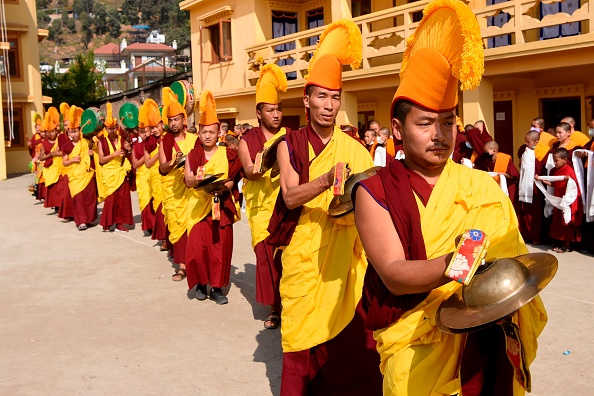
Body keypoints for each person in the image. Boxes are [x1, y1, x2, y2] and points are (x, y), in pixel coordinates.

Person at [352, 1, 546, 394]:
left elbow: (513, 264)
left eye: (447, 122)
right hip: (416, 346)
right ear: (397, 128)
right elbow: (393, 273)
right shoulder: (375, 190)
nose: (440, 134)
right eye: (425, 123)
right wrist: (456, 263)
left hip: (485, 341)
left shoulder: (482, 187)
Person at [267, 19, 382, 395]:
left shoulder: (355, 148)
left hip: (345, 254)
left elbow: (373, 197)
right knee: (301, 334)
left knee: (347, 334)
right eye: (321, 97)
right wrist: (324, 181)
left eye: (335, 97)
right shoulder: (289, 143)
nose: (329, 105)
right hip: (303, 255)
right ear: (306, 99)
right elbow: (289, 196)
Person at [238, 64, 289, 329]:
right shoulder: (248, 139)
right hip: (260, 210)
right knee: (267, 260)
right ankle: (273, 308)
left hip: (286, 205)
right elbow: (249, 170)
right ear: (259, 113)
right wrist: (267, 162)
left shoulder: (289, 136)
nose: (277, 114)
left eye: (278, 109)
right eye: (271, 110)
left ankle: (290, 304)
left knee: (288, 259)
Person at [184, 90, 242, 304]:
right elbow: (188, 179)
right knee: (197, 250)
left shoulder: (228, 154)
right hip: (199, 206)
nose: (208, 136)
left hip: (221, 205)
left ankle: (217, 288)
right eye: (204, 132)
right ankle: (200, 283)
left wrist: (222, 186)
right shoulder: (193, 155)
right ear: (198, 133)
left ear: (219, 133)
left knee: (219, 250)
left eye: (212, 132)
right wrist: (202, 182)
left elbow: (233, 179)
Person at [158, 87, 198, 281]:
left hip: (192, 189)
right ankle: (182, 266)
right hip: (174, 190)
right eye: (170, 120)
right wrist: (174, 162)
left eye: (176, 119)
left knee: (194, 226)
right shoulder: (164, 141)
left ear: (184, 120)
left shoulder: (194, 139)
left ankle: (194, 263)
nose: (173, 124)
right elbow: (163, 167)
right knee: (179, 227)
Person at [536, 148, 582, 252]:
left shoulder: (568, 170)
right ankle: (561, 243)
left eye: (556, 160)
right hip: (559, 199)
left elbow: (572, 186)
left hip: (568, 200)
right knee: (558, 222)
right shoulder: (555, 170)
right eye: (553, 160)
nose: (554, 163)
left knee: (567, 223)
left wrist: (567, 180)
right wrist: (541, 180)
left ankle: (567, 245)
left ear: (565, 160)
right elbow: (555, 184)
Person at [98, 102, 134, 232]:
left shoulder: (122, 137)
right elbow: (101, 160)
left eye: (114, 128)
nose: (112, 130)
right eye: (109, 128)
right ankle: (107, 224)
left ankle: (120, 223)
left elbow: (128, 153)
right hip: (109, 173)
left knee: (123, 198)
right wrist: (114, 154)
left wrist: (129, 149)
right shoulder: (102, 141)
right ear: (106, 129)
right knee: (111, 198)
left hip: (121, 171)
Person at [61, 105, 98, 231]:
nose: (74, 134)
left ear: (80, 130)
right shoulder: (66, 146)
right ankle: (81, 221)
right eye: (71, 132)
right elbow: (64, 163)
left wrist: (92, 155)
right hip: (76, 176)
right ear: (68, 133)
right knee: (79, 198)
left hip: (87, 174)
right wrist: (72, 160)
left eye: (76, 131)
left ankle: (90, 219)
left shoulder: (87, 142)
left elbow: (96, 154)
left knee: (90, 198)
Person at [143, 99, 168, 247]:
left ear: (162, 124)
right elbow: (147, 163)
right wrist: (160, 153)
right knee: (159, 206)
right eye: (151, 127)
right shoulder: (150, 142)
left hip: (169, 176)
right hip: (155, 177)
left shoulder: (169, 137)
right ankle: (164, 238)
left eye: (156, 126)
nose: (154, 130)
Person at [518, 131, 546, 244]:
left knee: (535, 214)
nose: (526, 143)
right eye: (525, 141)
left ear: (536, 142)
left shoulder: (543, 152)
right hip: (525, 185)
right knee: (525, 212)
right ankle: (525, 234)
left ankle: (535, 236)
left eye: (528, 141)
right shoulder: (525, 151)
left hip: (536, 186)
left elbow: (544, 168)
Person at [131, 103, 155, 235]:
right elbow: (134, 164)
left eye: (146, 130)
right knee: (145, 201)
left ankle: (156, 226)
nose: (144, 133)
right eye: (141, 131)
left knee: (154, 202)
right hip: (143, 177)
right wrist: (146, 158)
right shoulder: (137, 146)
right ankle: (147, 225)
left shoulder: (155, 142)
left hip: (154, 175)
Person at [475, 140, 519, 210]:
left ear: (494, 151)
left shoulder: (504, 159)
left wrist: (504, 175)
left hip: (508, 187)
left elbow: (514, 175)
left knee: (509, 207)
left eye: (487, 151)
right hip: (495, 187)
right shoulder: (487, 160)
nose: (485, 153)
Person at [39, 109, 62, 213]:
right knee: (53, 188)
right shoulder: (44, 143)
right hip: (50, 167)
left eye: (53, 131)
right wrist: (50, 154)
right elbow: (40, 157)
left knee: (60, 187)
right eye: (49, 132)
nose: (51, 134)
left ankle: (61, 204)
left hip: (60, 166)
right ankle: (56, 205)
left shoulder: (60, 139)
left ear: (56, 131)